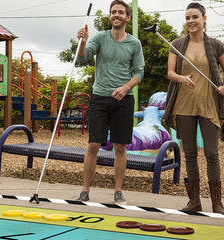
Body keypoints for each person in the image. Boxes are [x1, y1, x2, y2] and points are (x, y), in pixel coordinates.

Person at [76, 0, 145, 204]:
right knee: (93, 145)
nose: (116, 15)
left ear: (127, 17)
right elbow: (83, 58)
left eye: (120, 12)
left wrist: (125, 88)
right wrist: (83, 41)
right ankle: (85, 190)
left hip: (124, 99)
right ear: (110, 16)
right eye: (113, 12)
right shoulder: (100, 38)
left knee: (120, 146)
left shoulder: (134, 43)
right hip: (99, 97)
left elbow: (139, 73)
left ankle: (118, 191)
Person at [163, 2, 224, 214]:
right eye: (188, 18)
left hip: (209, 105)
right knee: (190, 153)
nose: (191, 21)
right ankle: (194, 201)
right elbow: (170, 73)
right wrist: (182, 78)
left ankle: (217, 203)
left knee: (211, 153)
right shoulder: (177, 44)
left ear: (204, 19)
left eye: (195, 17)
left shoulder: (216, 45)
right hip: (183, 105)